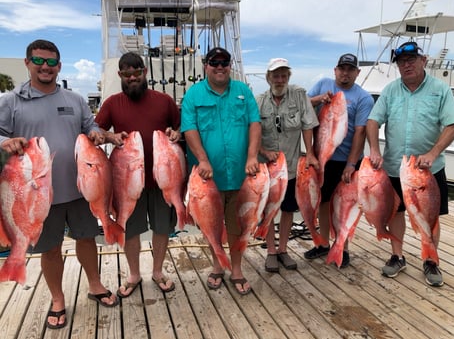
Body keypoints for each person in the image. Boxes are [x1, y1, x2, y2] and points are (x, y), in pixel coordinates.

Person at [0, 39, 118, 330]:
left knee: (87, 239)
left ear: (59, 66)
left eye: (51, 62)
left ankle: (94, 284)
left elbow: (89, 125)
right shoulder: (11, 101)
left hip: (80, 189)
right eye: (39, 61)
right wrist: (5, 141)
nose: (45, 67)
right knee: (50, 249)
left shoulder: (75, 99)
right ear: (28, 63)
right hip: (36, 194)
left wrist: (97, 134)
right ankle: (57, 300)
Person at [366, 41, 454, 287]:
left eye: (411, 60)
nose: (406, 65)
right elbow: (373, 121)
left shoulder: (440, 90)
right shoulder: (390, 90)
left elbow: (453, 124)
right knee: (395, 212)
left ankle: (431, 260)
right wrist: (375, 149)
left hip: (428, 171)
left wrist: (433, 152)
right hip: (397, 166)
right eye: (401, 62)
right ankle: (398, 255)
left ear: (423, 60)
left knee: (431, 217)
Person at [96, 52, 181, 296]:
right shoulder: (112, 103)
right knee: (130, 228)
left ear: (145, 72)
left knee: (162, 227)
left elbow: (179, 126)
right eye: (126, 74)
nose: (132, 77)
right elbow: (98, 130)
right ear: (120, 75)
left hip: (162, 179)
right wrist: (111, 136)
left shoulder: (164, 100)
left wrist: (176, 134)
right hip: (127, 181)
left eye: (136, 72)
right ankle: (134, 274)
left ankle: (157, 271)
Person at [181, 47, 261, 295]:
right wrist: (203, 160)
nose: (219, 67)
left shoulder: (243, 91)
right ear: (206, 65)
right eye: (214, 62)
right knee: (211, 224)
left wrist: (251, 156)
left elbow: (254, 124)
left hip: (240, 175)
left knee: (237, 225)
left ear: (230, 66)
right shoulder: (193, 95)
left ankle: (236, 269)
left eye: (224, 62)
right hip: (207, 180)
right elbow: (189, 129)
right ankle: (217, 264)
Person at [304, 53, 374, 267]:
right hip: (322, 158)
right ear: (335, 70)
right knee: (323, 202)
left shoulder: (363, 98)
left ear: (357, 72)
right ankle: (323, 243)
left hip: (347, 161)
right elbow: (302, 106)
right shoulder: (322, 84)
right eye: (342, 68)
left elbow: (360, 133)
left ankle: (342, 246)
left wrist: (352, 164)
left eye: (350, 69)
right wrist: (318, 100)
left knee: (345, 204)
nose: (345, 73)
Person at [256, 58, 319, 272]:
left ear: (288, 77)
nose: (280, 79)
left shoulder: (300, 95)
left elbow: (308, 125)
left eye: (284, 75)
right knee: (268, 210)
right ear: (268, 78)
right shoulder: (259, 101)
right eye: (276, 75)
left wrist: (310, 153)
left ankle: (283, 249)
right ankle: (271, 252)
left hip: (291, 168)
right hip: (266, 170)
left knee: (288, 209)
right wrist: (263, 152)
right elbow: (252, 133)